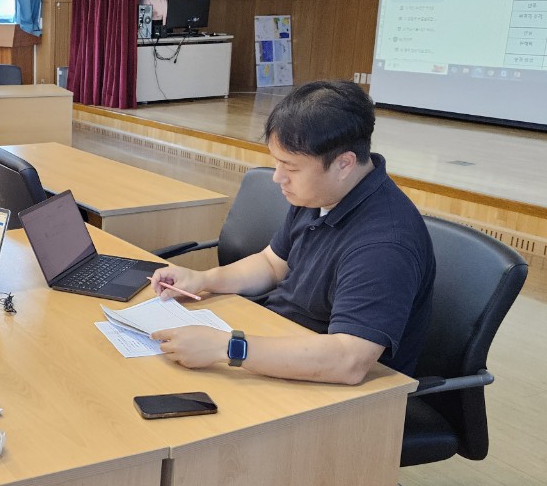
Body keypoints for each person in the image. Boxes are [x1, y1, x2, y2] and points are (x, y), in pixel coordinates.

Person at [149, 80, 435, 385]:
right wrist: (205, 279)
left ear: (344, 164)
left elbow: (348, 360)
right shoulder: (321, 193)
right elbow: (272, 263)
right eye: (276, 162)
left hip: (338, 393)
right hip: (282, 344)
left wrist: (227, 347)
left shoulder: (385, 244)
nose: (277, 177)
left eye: (291, 168)